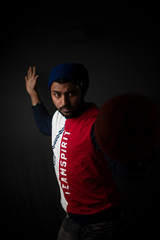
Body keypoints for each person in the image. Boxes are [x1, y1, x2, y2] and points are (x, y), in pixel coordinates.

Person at [25, 63, 125, 240]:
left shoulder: (97, 125)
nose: (63, 103)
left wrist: (137, 156)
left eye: (70, 93)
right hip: (72, 217)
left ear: (82, 91)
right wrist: (33, 93)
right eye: (57, 95)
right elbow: (43, 125)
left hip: (102, 222)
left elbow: (121, 167)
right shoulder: (57, 117)